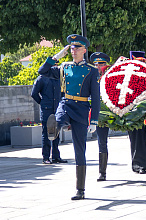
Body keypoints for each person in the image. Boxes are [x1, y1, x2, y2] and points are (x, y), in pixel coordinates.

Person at [38, 34, 100, 200]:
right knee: (58, 117)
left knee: (80, 150)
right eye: (72, 47)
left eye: (77, 47)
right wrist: (57, 56)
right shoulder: (64, 67)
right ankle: (55, 128)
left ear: (84, 50)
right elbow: (42, 71)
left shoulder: (92, 71)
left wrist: (94, 119)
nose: (74, 50)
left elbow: (95, 96)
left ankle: (80, 190)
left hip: (81, 108)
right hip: (66, 104)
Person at [31, 75, 67, 164]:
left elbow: (63, 93)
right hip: (47, 109)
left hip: (57, 109)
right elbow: (34, 93)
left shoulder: (60, 77)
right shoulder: (42, 78)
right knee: (46, 134)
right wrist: (42, 103)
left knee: (56, 133)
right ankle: (46, 157)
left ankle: (56, 156)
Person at [90, 52, 111, 181]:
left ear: (106, 65)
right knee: (101, 142)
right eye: (96, 64)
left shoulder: (110, 77)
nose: (98, 66)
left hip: (109, 111)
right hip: (96, 113)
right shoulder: (90, 76)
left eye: (101, 64)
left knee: (103, 142)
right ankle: (102, 172)